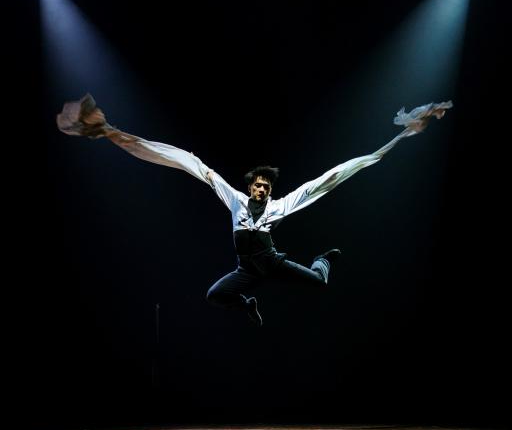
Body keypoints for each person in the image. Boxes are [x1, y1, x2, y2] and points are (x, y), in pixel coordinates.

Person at [57, 94, 452, 326]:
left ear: (270, 190)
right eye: (258, 184)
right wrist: (114, 133)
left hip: (273, 262)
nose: (262, 188)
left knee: (319, 283)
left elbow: (327, 179)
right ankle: (248, 303)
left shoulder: (280, 205)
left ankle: (322, 261)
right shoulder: (234, 198)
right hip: (246, 270)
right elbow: (191, 164)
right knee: (214, 295)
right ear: (250, 187)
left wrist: (390, 144)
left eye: (266, 185)